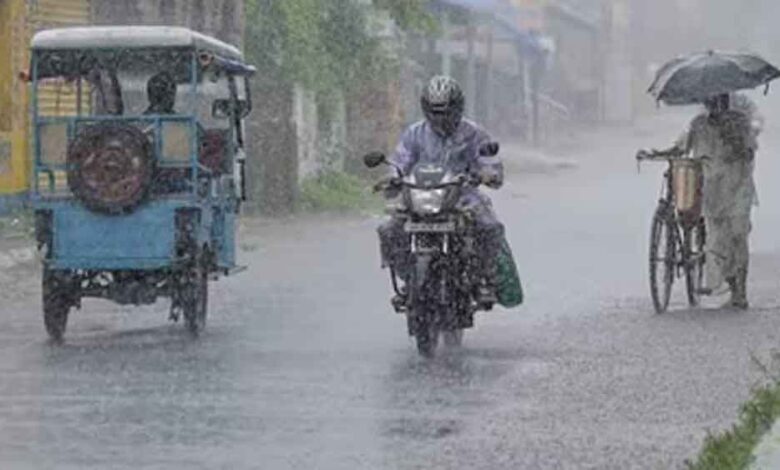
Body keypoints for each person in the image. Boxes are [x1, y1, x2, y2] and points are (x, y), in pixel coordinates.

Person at [377, 75, 505, 306]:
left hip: (463, 195)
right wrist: (392, 178)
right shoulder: (415, 133)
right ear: (426, 109)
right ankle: (408, 277)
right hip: (420, 195)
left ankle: (484, 278)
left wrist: (488, 173)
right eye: (435, 112)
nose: (441, 118)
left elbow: (488, 160)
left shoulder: (473, 133)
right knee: (389, 229)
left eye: (446, 112)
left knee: (490, 227)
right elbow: (400, 160)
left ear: (458, 107)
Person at [660, 93, 758, 309]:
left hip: (739, 187)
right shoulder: (699, 124)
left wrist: (736, 143)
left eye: (720, 101)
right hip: (713, 191)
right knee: (717, 241)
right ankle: (732, 284)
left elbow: (750, 151)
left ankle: (740, 291)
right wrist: (659, 153)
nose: (716, 105)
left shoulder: (740, 122)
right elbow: (681, 147)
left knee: (738, 236)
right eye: (712, 102)